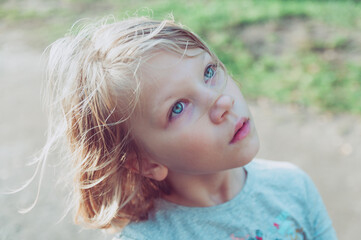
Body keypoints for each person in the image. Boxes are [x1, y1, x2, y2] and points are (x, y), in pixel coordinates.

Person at [42, 15, 337, 240]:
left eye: (209, 72)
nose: (221, 101)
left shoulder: (293, 186)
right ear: (145, 162)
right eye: (178, 108)